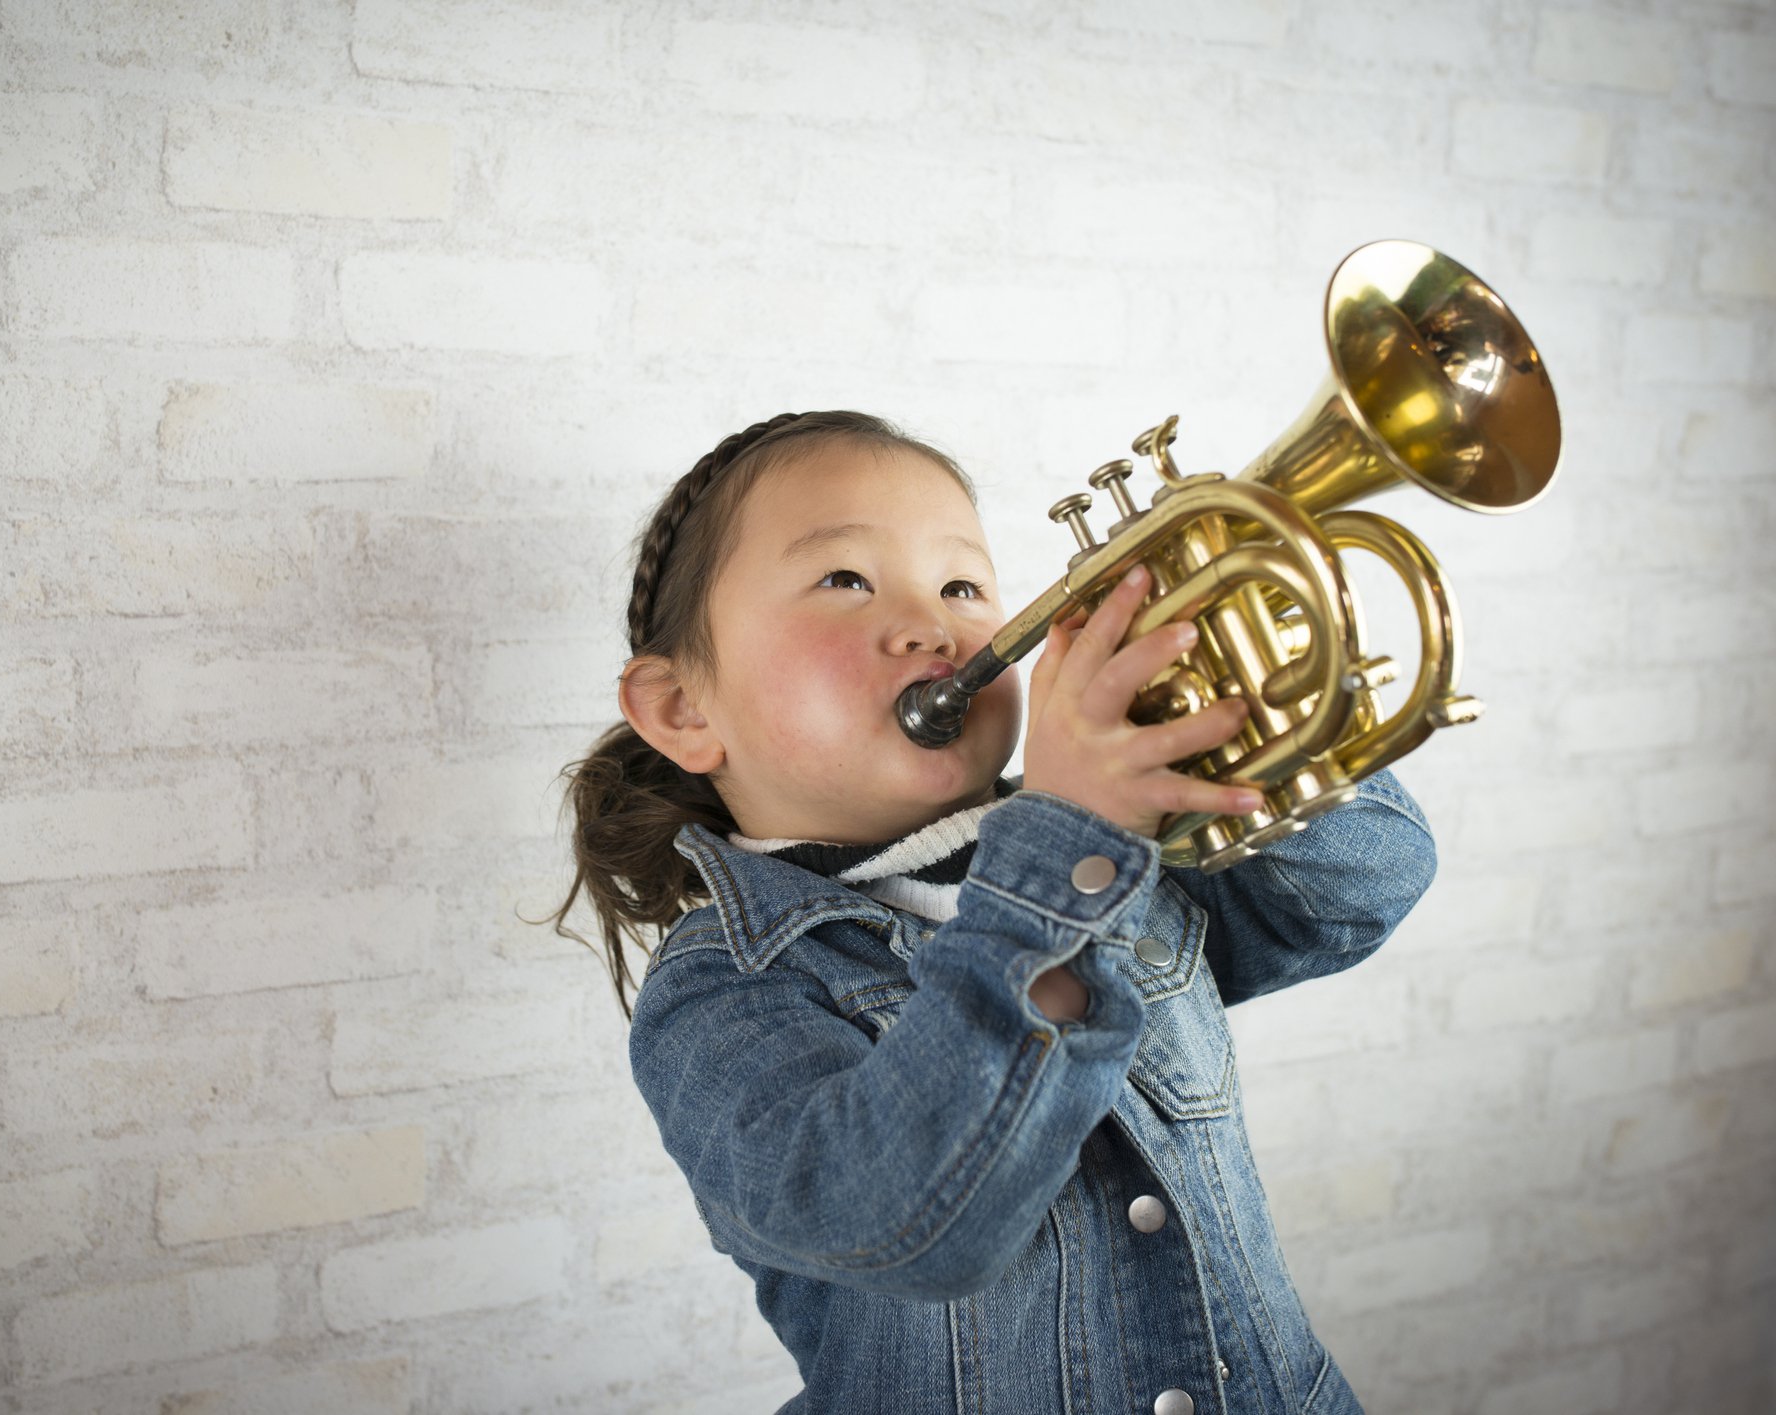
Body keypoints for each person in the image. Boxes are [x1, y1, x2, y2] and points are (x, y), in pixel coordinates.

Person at [543, 410, 1436, 1414]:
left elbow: (1362, 890)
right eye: (845, 579)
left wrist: (1228, 722)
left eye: (961, 585)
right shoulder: (718, 993)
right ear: (681, 711)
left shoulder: (1118, 848)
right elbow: (912, 1220)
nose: (932, 624)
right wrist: (1062, 843)